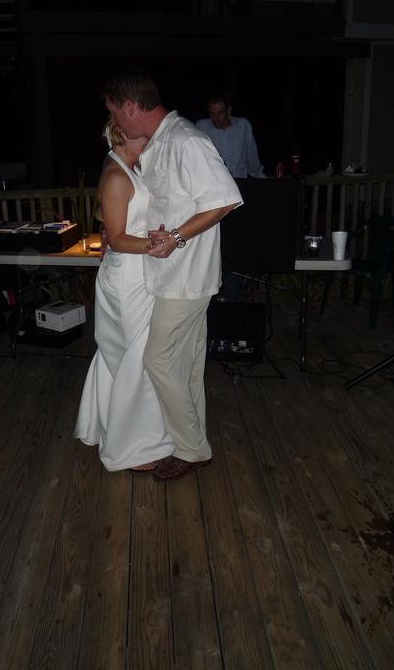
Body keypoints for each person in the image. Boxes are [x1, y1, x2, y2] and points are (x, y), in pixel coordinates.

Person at [103, 70, 243, 481]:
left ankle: (191, 449)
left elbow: (225, 199)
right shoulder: (161, 142)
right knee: (187, 365)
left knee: (159, 360)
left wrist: (178, 237)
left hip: (186, 277)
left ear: (131, 106)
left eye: (114, 111)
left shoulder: (186, 141)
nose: (113, 121)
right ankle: (189, 442)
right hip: (170, 276)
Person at [74, 119, 175, 472]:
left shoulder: (128, 169)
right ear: (125, 136)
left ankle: (114, 428)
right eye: (145, 137)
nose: (150, 142)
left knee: (124, 356)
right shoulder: (117, 176)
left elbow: (116, 224)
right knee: (134, 357)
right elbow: (116, 238)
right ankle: (131, 447)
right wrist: (158, 244)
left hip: (136, 272)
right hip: (127, 279)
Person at [195, 91, 265, 179]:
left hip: (239, 182)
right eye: (212, 114)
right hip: (213, 182)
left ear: (229, 111)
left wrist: (260, 176)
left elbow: (252, 157)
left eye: (220, 113)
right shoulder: (202, 127)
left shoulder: (243, 126)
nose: (215, 118)